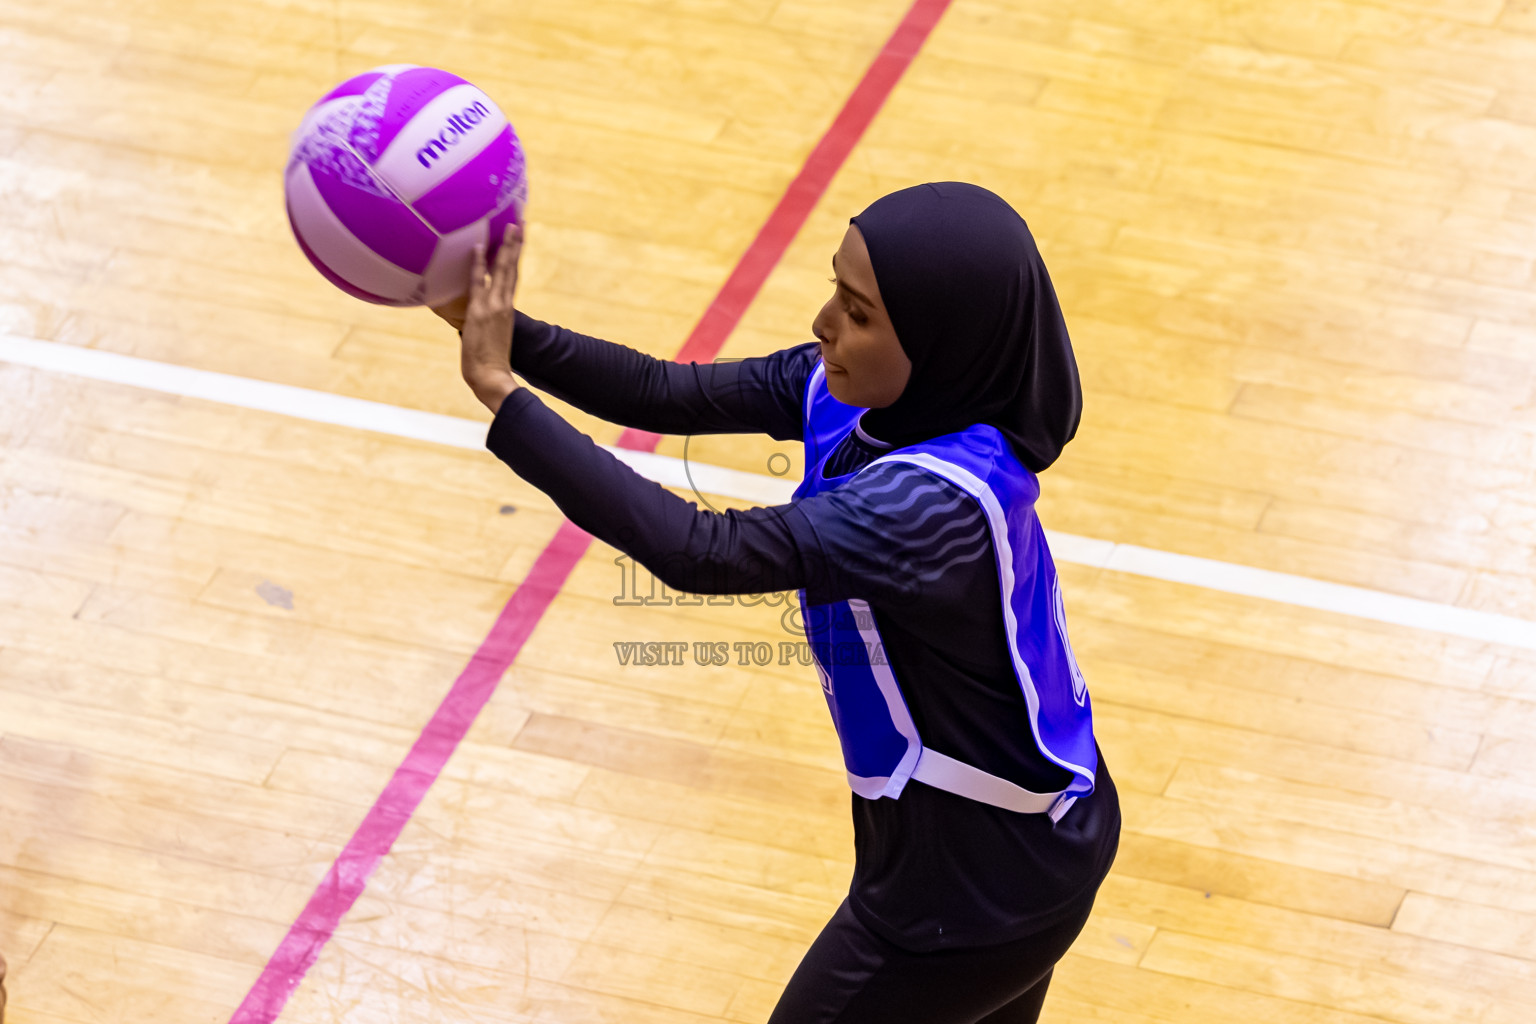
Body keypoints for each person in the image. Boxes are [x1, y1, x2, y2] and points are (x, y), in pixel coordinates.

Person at [438, 182, 1121, 1023]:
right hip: (1022, 841)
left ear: (942, 343)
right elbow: (667, 393)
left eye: (859, 312)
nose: (823, 323)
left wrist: (505, 400)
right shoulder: (870, 396)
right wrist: (498, 327)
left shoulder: (930, 509)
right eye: (836, 288)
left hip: (968, 895)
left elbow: (701, 552)